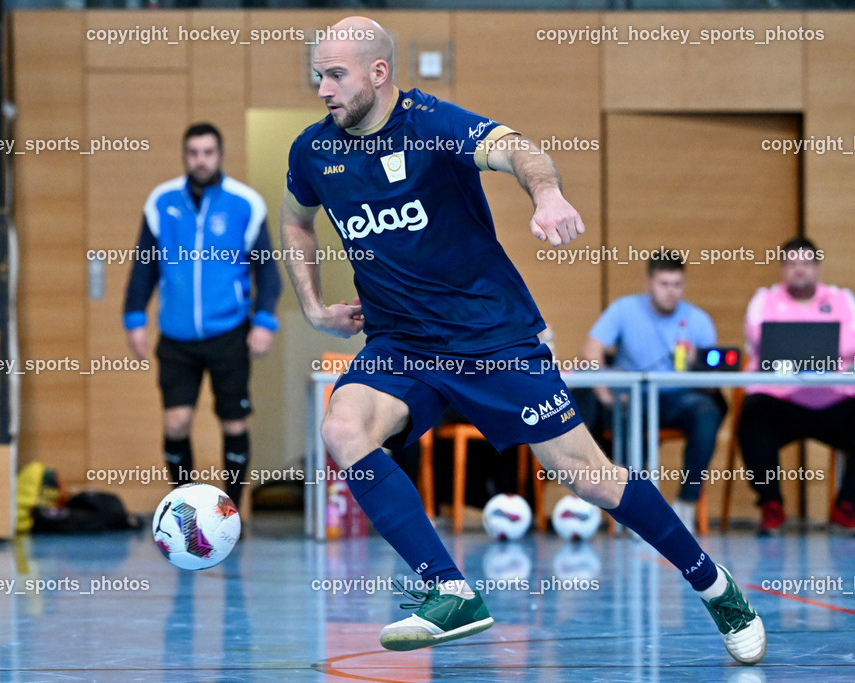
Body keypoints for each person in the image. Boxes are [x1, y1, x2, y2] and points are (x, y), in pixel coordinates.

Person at [280, 16, 765, 664]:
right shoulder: (315, 152)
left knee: (588, 476)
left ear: (379, 72)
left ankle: (712, 580)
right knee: (343, 427)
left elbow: (519, 148)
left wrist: (548, 193)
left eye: (335, 74)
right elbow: (296, 218)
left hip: (492, 335)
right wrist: (312, 306)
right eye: (318, 76)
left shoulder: (431, 123)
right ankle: (449, 589)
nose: (323, 90)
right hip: (401, 342)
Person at [124, 123, 282, 506]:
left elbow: (268, 271)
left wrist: (264, 320)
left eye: (208, 152)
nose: (201, 160)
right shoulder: (161, 203)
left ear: (220, 155)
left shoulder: (245, 203)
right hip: (176, 336)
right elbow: (144, 264)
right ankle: (184, 510)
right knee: (176, 422)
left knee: (234, 422)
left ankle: (231, 510)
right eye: (193, 153)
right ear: (185, 156)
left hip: (229, 332)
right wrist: (134, 317)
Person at [582, 254, 726, 532]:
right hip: (635, 397)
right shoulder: (624, 310)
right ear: (649, 282)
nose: (671, 291)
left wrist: (698, 362)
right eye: (664, 283)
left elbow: (713, 383)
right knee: (625, 418)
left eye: (677, 284)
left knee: (708, 414)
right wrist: (604, 394)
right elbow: (591, 350)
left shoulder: (698, 320)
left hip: (680, 397)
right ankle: (630, 506)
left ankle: (686, 503)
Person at [738, 236, 855, 534]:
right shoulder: (764, 301)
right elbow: (757, 341)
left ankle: (847, 507)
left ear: (817, 267)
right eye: (791, 263)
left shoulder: (843, 300)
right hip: (780, 402)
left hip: (835, 400)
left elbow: (850, 345)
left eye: (805, 263)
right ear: (782, 268)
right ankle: (771, 505)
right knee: (752, 417)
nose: (799, 269)